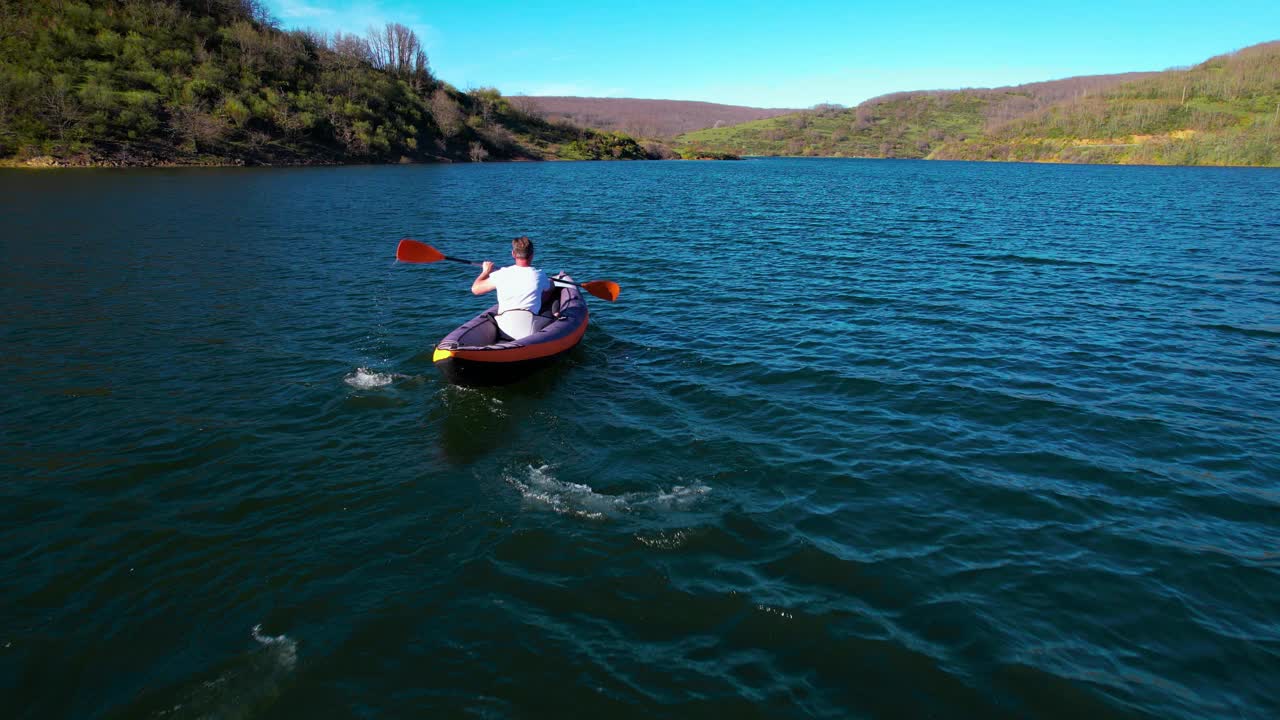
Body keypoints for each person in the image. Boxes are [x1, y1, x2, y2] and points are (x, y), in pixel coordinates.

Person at [471, 236, 556, 340]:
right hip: (530, 330)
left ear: (513, 254)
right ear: (532, 255)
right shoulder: (540, 275)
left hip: (504, 329)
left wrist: (485, 272)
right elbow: (550, 288)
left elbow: (475, 289)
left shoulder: (501, 274)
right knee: (552, 301)